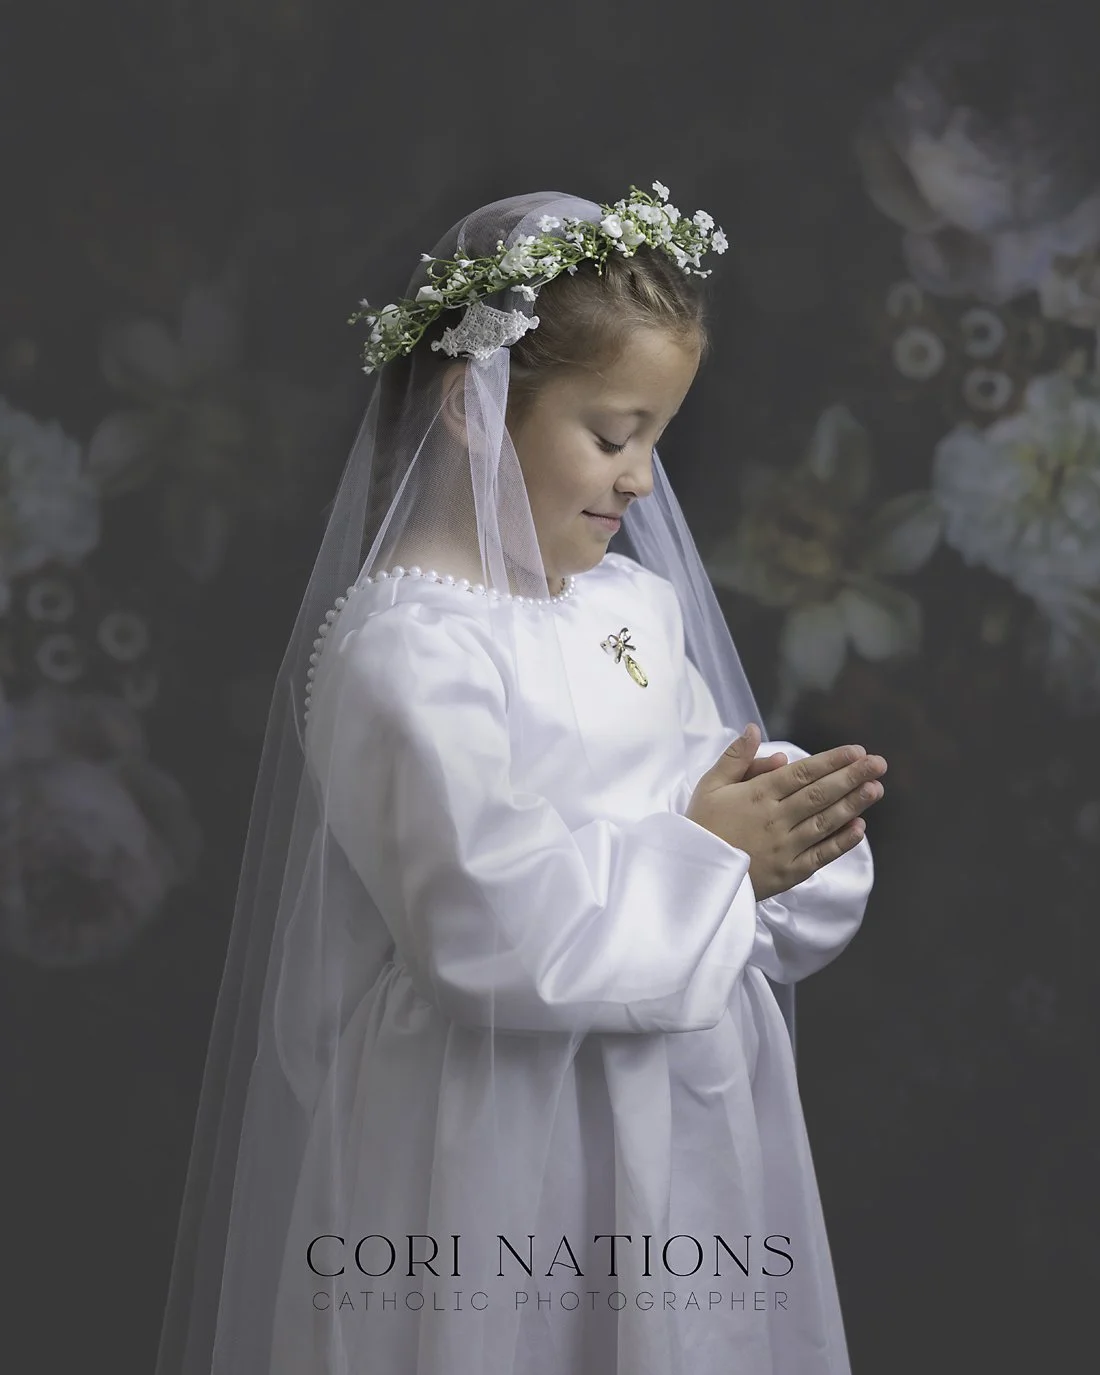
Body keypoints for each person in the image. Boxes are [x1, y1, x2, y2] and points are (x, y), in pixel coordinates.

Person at [154, 185, 883, 1375]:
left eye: (656, 438)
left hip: (674, 1120)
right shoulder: (408, 650)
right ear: (473, 404)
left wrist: (777, 827)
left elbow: (708, 793)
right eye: (610, 434)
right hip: (498, 1139)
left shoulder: (632, 608)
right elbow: (481, 915)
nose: (641, 480)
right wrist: (710, 857)